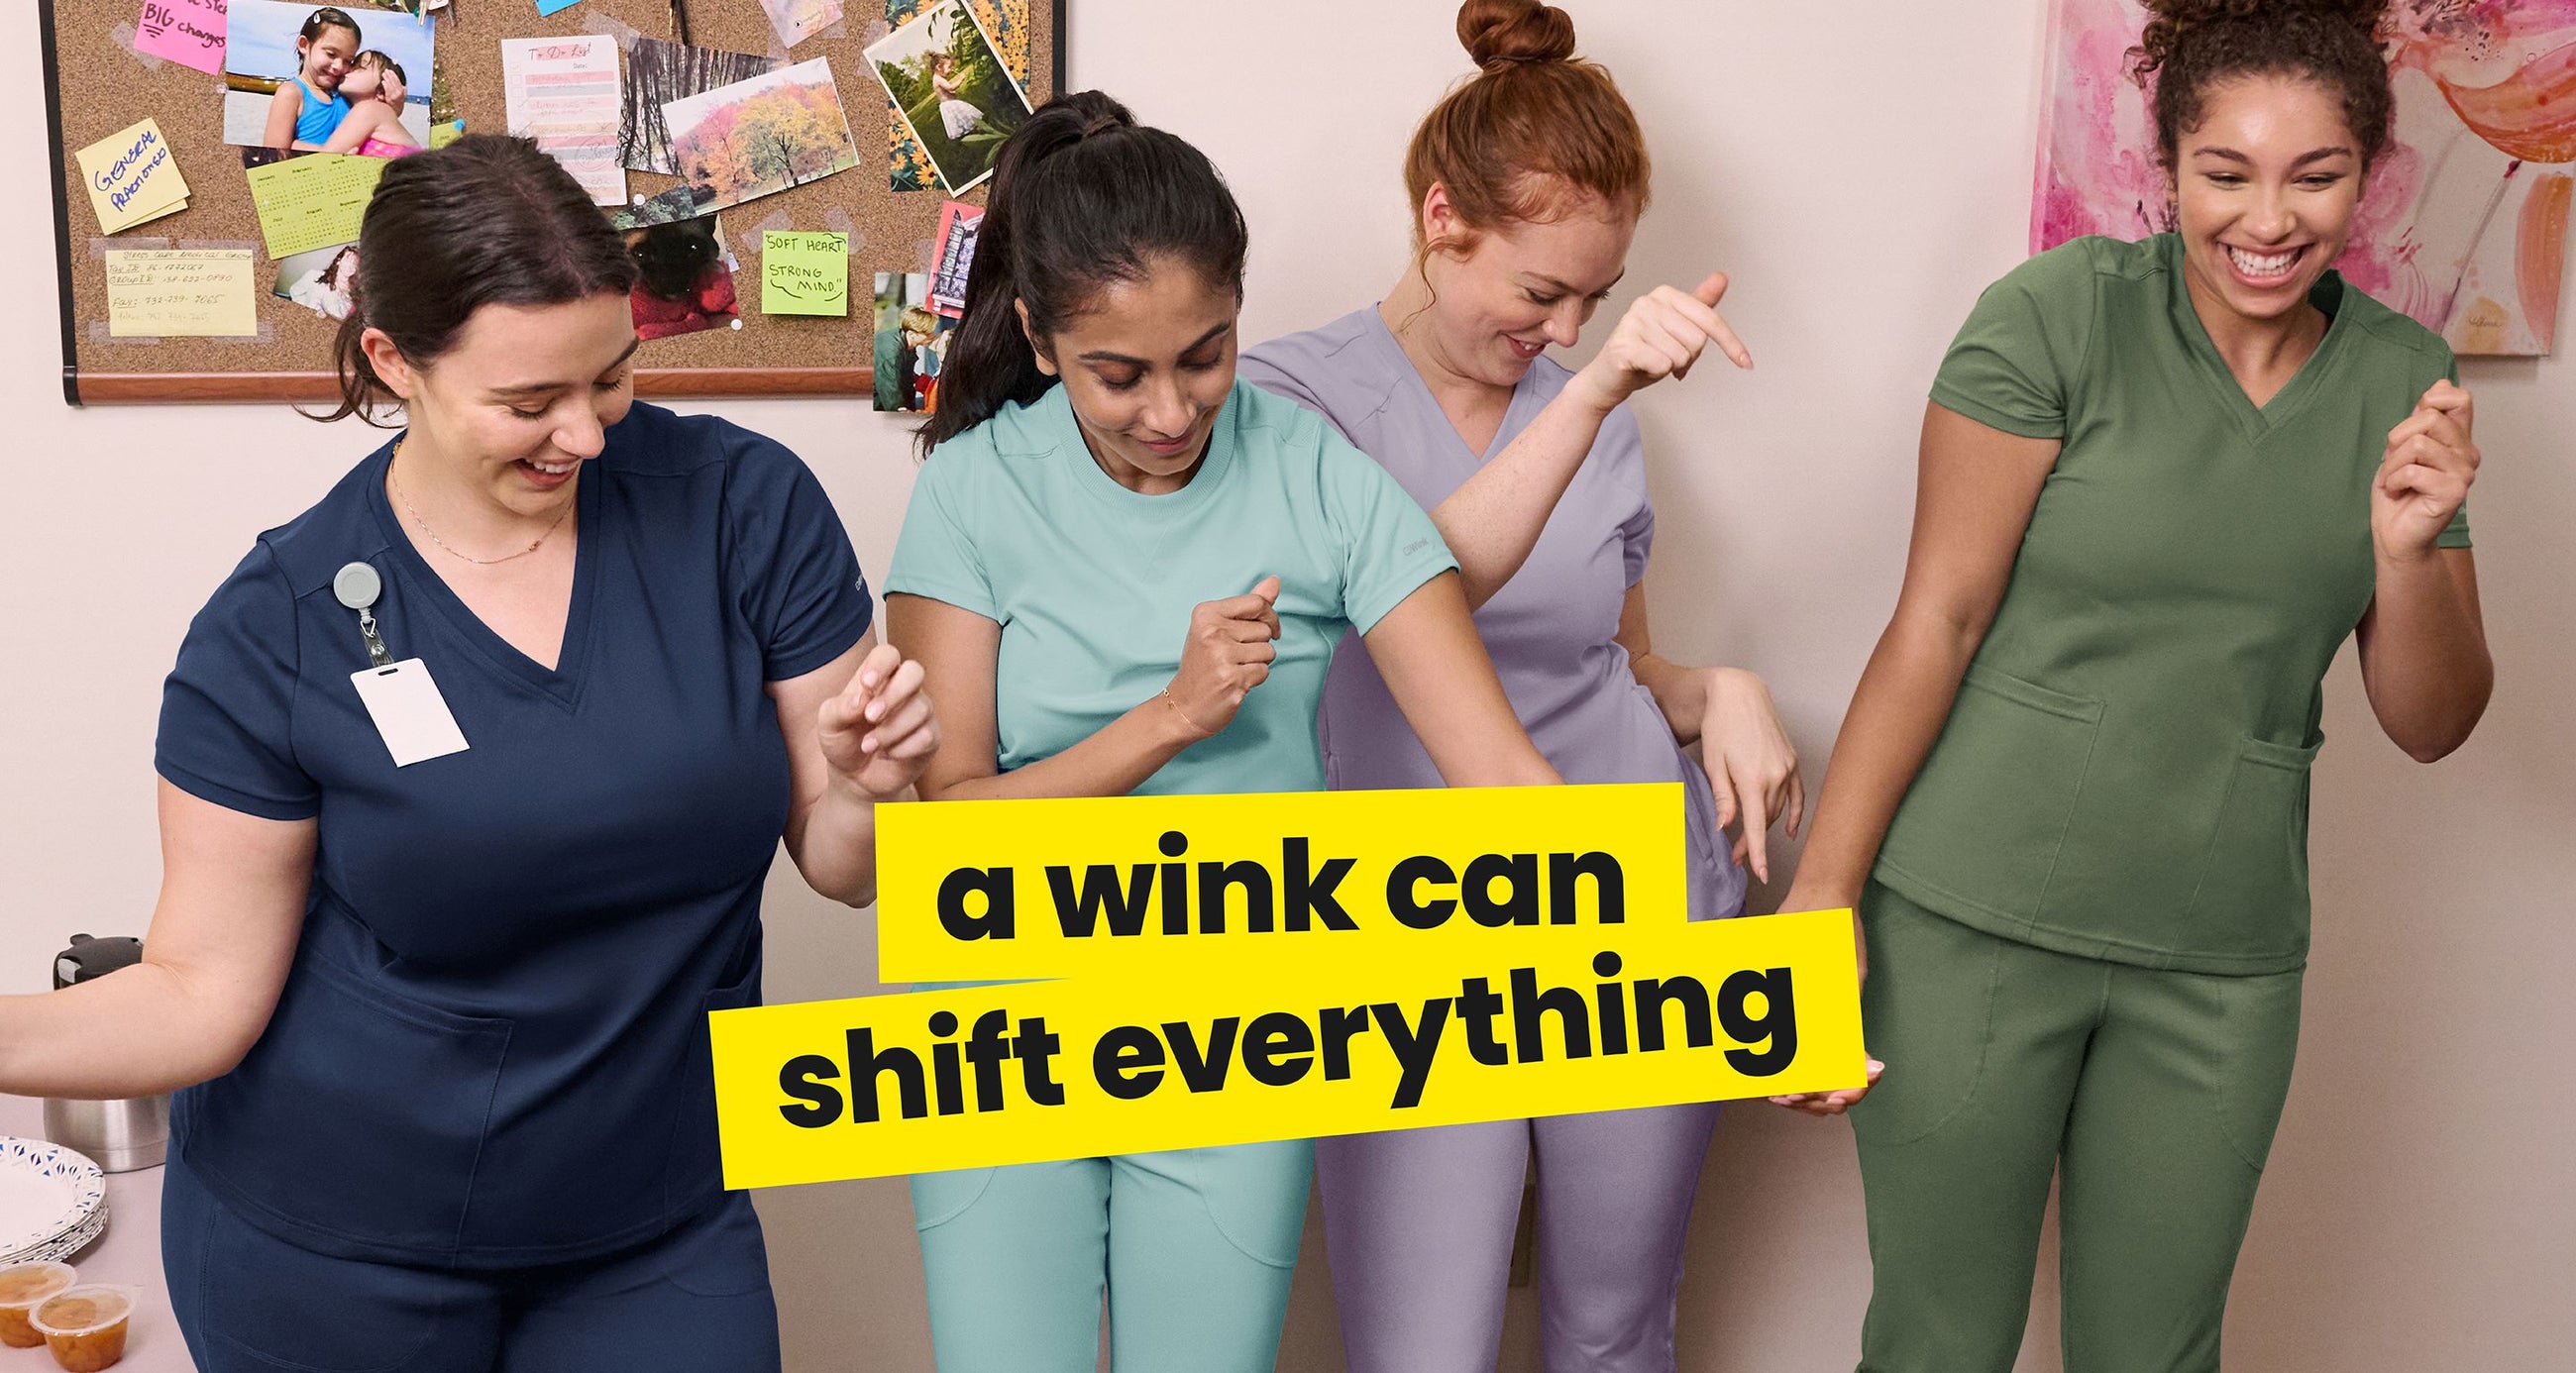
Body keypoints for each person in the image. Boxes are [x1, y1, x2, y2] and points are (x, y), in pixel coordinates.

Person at [0, 135, 937, 1373]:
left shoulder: (740, 509)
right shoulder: (277, 623)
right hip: (332, 1245)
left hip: (656, 1212)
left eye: (611, 378)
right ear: (394, 361)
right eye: (528, 403)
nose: (584, 435)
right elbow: (197, 993)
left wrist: (867, 786)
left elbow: (845, 866)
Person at [1773, 2, 2492, 1367]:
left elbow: (2432, 721)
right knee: (1938, 1341)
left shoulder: (2407, 381)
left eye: (2314, 175)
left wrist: (2408, 552)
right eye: (2226, 172)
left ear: (2369, 176)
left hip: (2220, 960)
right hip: (1969, 927)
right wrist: (1822, 899)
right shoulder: (2054, 316)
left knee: (2157, 1353)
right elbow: (1936, 620)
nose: (2266, 219)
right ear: (2166, 168)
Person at [885, 89, 1567, 1373]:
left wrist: (1752, 1002)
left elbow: (1504, 776)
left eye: (1204, 356)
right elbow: (945, 829)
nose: (1169, 410)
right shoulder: (973, 492)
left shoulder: (1316, 474)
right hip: (993, 1022)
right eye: (1119, 374)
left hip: (1233, 1035)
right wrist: (1171, 718)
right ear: (1038, 339)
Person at [1235, 3, 1797, 1369]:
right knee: (1420, 1342)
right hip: (1400, 929)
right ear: (1443, 221)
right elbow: (1393, 600)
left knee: (1616, 1327)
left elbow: (1609, 657)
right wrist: (1597, 391)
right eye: (1541, 293)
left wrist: (1716, 687)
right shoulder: (1284, 402)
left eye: (1595, 300)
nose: (1565, 331)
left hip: (1628, 897)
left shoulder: (1592, 413)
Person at [260, 7, 359, 154]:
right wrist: (331, 154)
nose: (339, 66)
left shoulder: (347, 94)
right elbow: (274, 155)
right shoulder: (291, 93)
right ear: (304, 45)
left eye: (348, 61)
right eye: (331, 54)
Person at [320, 51, 419, 158]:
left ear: (381, 90)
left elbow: (325, 158)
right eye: (352, 66)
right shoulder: (378, 114)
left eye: (360, 68)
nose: (348, 71)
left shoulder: (371, 109)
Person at [932, 53, 988, 141]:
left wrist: (951, 93)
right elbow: (951, 87)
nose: (951, 70)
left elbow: (945, 91)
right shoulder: (938, 79)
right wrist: (960, 79)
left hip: (949, 103)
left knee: (965, 118)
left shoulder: (937, 78)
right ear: (939, 67)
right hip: (950, 105)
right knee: (966, 117)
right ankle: (977, 132)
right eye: (949, 67)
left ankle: (977, 131)